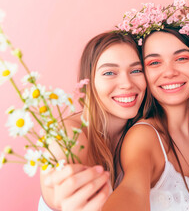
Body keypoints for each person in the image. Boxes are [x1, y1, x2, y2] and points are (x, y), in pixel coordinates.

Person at [102, 28, 189, 211]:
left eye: (181, 58)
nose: (169, 72)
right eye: (154, 62)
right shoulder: (144, 135)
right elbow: (132, 189)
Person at [39, 31, 146, 211]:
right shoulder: (68, 134)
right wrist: (58, 196)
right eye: (110, 72)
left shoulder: (143, 132)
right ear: (88, 82)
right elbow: (56, 185)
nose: (127, 83)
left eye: (135, 70)